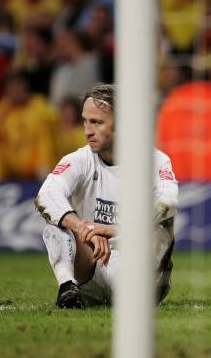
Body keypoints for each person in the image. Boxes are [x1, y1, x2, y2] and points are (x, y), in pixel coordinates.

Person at [34, 84, 178, 309]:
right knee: (55, 225)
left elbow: (168, 203)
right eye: (84, 121)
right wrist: (85, 229)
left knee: (161, 227)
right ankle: (67, 287)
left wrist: (114, 230)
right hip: (91, 267)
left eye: (96, 122)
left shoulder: (155, 161)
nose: (87, 131)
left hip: (138, 267)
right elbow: (46, 195)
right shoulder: (79, 160)